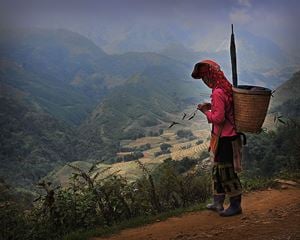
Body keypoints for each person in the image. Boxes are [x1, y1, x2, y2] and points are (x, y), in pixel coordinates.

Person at [191, 59, 243, 217]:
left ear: (211, 75)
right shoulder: (226, 88)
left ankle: (235, 205)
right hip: (228, 137)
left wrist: (205, 111)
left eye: (205, 77)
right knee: (218, 171)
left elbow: (219, 118)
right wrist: (211, 106)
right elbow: (226, 110)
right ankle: (218, 202)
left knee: (226, 171)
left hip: (225, 139)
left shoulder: (218, 92)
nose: (205, 81)